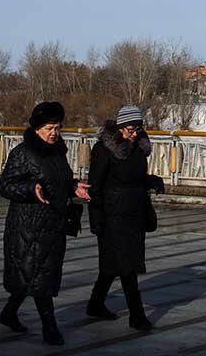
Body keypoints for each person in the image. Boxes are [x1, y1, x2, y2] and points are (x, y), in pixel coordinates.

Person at [0, 101, 91, 346]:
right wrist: (31, 189)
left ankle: (9, 313)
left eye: (57, 127)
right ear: (37, 128)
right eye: (49, 128)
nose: (54, 133)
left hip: (53, 224)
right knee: (40, 278)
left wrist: (74, 187)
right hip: (27, 227)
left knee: (33, 275)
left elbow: (61, 180)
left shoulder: (57, 152)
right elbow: (5, 186)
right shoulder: (23, 153)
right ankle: (50, 328)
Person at [85, 105, 165, 331]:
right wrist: (96, 218)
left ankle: (95, 304)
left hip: (134, 213)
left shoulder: (138, 148)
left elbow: (135, 178)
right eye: (131, 129)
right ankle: (137, 315)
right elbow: (95, 186)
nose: (135, 134)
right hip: (112, 215)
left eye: (138, 129)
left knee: (112, 265)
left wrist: (152, 181)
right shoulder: (103, 150)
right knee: (127, 266)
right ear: (120, 127)